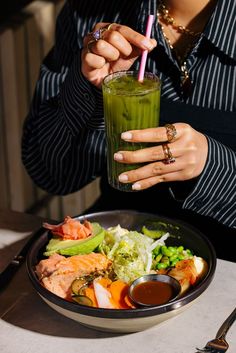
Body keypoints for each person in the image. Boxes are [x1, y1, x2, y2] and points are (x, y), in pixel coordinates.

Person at [21, 0, 236, 261]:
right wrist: (89, 90)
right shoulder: (90, 15)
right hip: (118, 250)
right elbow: (51, 174)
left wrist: (213, 165)